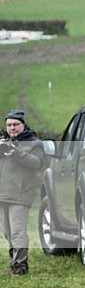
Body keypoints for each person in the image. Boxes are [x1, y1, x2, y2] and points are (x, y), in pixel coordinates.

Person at [0, 110, 46, 275]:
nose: (12, 128)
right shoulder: (3, 141)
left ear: (23, 124)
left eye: (15, 124)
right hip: (3, 193)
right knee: (7, 232)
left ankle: (20, 265)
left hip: (20, 194)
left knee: (18, 231)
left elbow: (37, 163)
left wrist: (16, 153)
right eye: (9, 125)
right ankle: (14, 262)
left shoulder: (34, 143)